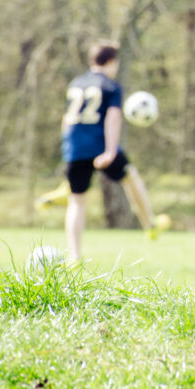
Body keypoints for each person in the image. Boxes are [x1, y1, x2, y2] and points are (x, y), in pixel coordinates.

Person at [61, 43, 166, 263]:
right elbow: (113, 117)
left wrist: (67, 149)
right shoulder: (110, 86)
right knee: (130, 176)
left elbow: (66, 120)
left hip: (75, 147)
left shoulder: (76, 83)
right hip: (100, 146)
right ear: (111, 62)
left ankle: (74, 255)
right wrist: (110, 150)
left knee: (77, 201)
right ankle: (150, 224)